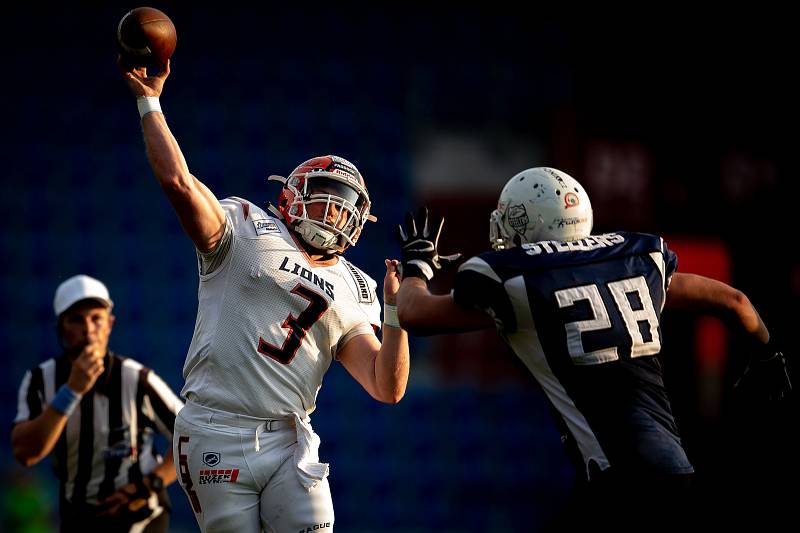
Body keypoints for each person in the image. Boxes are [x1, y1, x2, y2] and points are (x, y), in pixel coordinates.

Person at [394, 167, 792, 529]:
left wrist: (417, 267)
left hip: (619, 481)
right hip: (675, 471)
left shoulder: (515, 281)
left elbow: (415, 314)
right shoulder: (636, 258)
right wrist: (767, 353)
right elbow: (735, 301)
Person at [119, 57, 410, 533]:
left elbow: (386, 385)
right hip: (214, 426)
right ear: (293, 194)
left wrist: (397, 311)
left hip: (290, 440)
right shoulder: (247, 223)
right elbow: (178, 183)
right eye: (326, 196)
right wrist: (150, 102)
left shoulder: (357, 285)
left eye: (346, 207)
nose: (335, 213)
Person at [11, 274, 185, 532]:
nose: (88, 329)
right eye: (76, 319)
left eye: (96, 319)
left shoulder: (136, 378)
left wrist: (150, 485)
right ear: (62, 329)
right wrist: (71, 391)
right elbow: (26, 453)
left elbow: (192, 434)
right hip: (80, 518)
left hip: (142, 515)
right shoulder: (40, 380)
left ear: (110, 325)